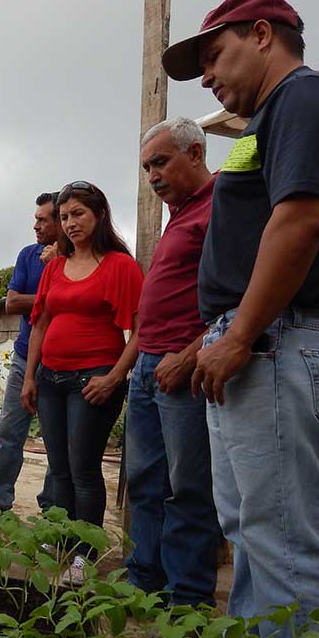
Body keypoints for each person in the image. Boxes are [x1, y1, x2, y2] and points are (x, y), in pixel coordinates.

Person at [163, 0, 319, 638]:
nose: (208, 78)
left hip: (280, 339)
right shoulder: (269, 119)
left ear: (261, 33)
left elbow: (302, 221)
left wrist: (241, 334)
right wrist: (221, 337)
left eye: (214, 56)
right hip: (260, 341)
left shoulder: (307, 99)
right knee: (256, 531)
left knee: (283, 536)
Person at [21, 181, 143, 585]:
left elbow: (141, 330)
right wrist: (29, 377)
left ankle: (83, 556)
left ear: (99, 216)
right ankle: (59, 536)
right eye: (64, 216)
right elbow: (40, 322)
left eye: (78, 214)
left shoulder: (121, 266)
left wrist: (114, 377)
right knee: (58, 468)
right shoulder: (54, 267)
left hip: (92, 381)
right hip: (51, 378)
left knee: (84, 469)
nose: (70, 224)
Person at [125, 117, 220, 608]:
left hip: (181, 368)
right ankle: (144, 577)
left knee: (188, 487)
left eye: (160, 162)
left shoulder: (223, 203)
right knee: (144, 480)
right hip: (148, 366)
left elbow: (240, 297)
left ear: (197, 154)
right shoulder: (179, 212)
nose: (153, 176)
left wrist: (190, 354)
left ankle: (188, 598)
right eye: (147, 168)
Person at [0, 192, 58, 512]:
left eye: (43, 219)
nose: (36, 225)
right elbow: (12, 303)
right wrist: (53, 297)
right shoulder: (28, 256)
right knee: (9, 433)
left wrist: (40, 296)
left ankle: (54, 508)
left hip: (61, 363)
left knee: (58, 443)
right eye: (35, 218)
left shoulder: (78, 259)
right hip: (25, 356)